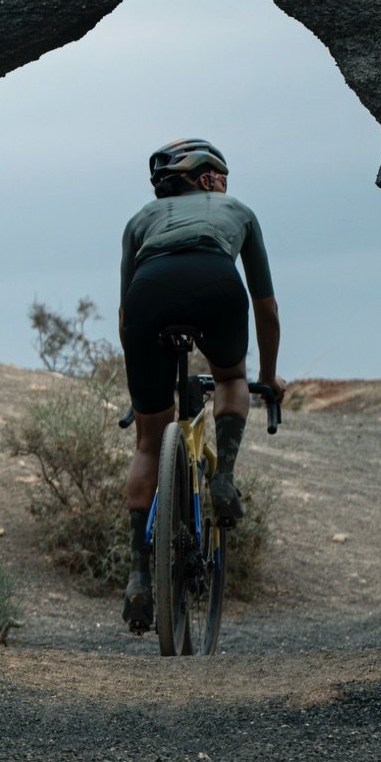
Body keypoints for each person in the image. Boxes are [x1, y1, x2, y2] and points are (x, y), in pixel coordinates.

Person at [117, 138, 284, 631]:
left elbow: (126, 313)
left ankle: (138, 575)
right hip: (216, 282)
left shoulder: (140, 220)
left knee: (149, 442)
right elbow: (266, 307)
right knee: (231, 377)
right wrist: (268, 376)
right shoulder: (239, 211)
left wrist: (140, 391)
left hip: (148, 293)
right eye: (222, 179)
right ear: (209, 180)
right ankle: (225, 478)